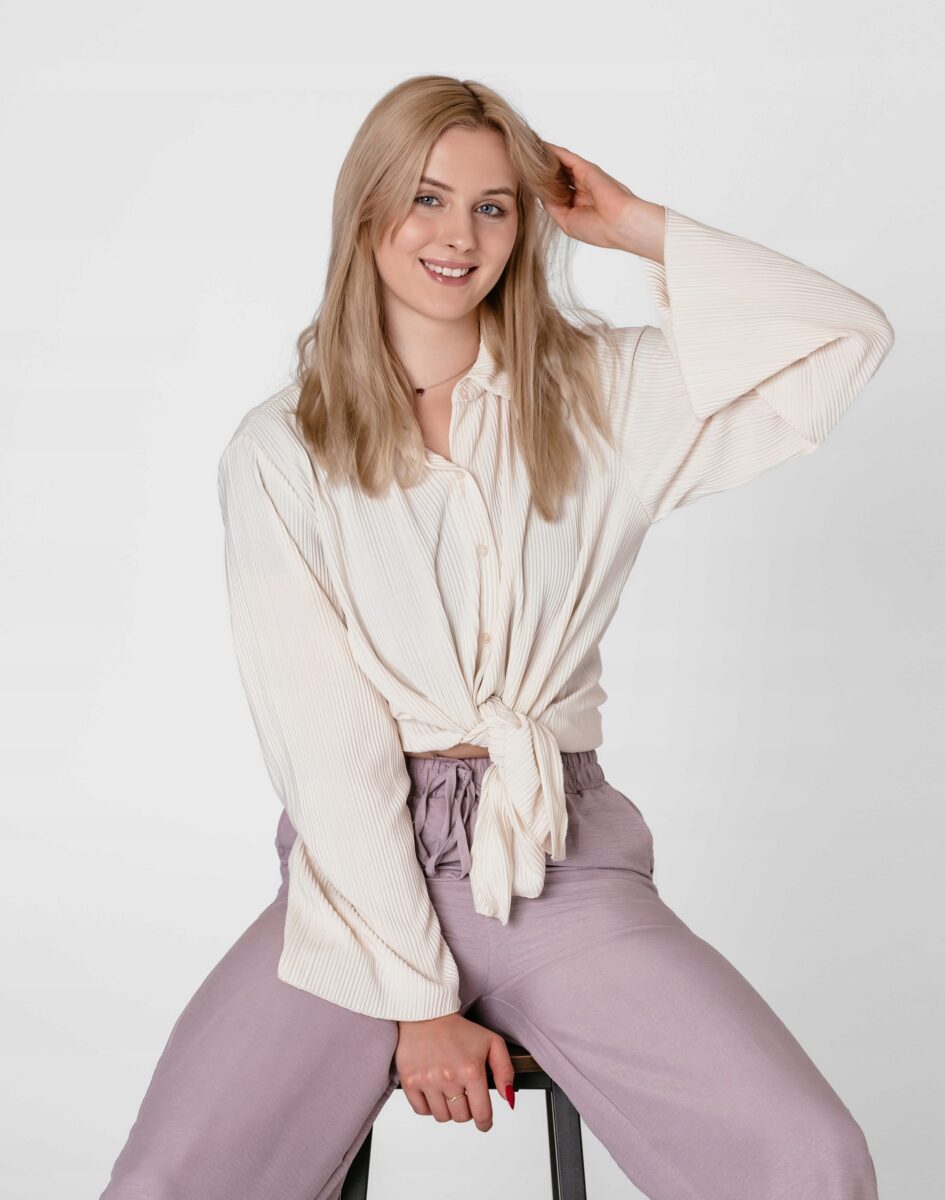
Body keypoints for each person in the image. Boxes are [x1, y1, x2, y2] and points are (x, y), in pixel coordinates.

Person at [99, 74, 894, 1200]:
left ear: (527, 226)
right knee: (170, 1181)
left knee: (807, 1156)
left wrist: (636, 227)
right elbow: (324, 747)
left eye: (492, 206)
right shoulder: (283, 450)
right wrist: (419, 1003)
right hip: (355, 878)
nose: (457, 236)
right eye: (426, 198)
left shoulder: (598, 393)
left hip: (557, 866)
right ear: (366, 209)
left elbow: (842, 341)